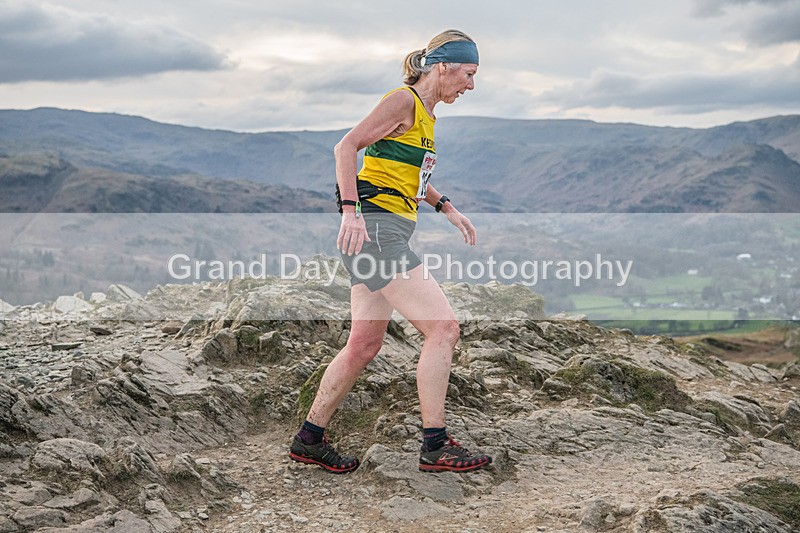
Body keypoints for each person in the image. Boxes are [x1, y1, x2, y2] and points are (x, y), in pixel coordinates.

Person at [289, 29, 492, 474]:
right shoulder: (404, 101)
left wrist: (446, 208)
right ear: (443, 67)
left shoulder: (425, 116)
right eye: (469, 74)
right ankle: (435, 445)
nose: (471, 86)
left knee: (363, 344)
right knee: (444, 330)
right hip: (377, 232)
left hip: (383, 232)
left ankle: (309, 439)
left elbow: (406, 176)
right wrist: (349, 212)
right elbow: (346, 146)